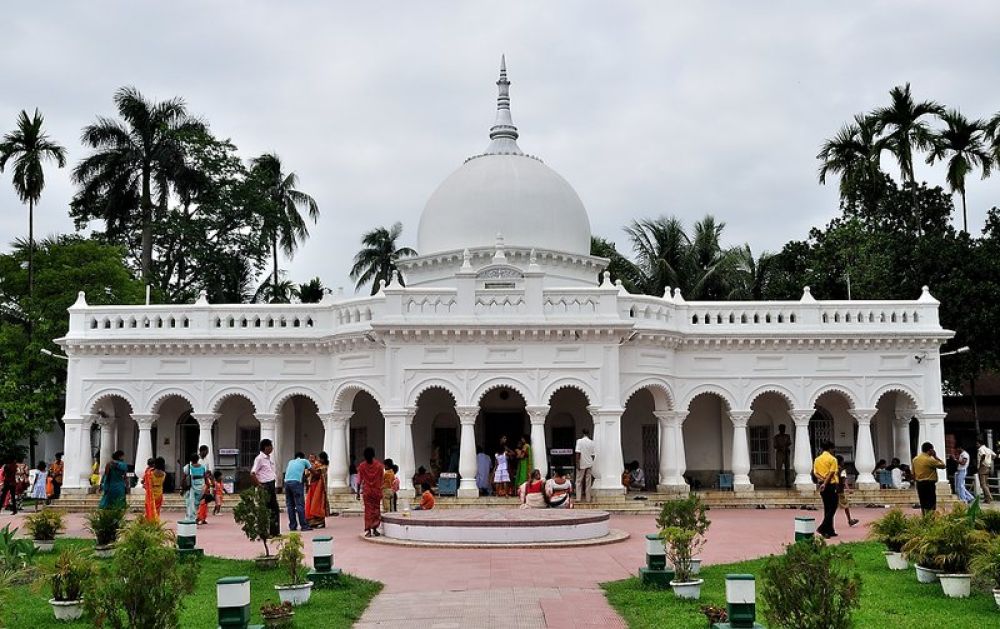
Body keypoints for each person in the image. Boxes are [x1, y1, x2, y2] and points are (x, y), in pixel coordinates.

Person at [251, 438, 281, 536]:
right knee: (264, 509)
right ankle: (263, 531)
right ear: (266, 447)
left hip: (271, 484)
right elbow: (252, 473)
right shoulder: (259, 458)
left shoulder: (268, 458)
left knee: (274, 509)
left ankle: (274, 531)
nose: (272, 448)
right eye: (271, 446)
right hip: (265, 485)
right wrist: (259, 485)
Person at [812, 440, 839, 539]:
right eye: (833, 448)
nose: (834, 450)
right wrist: (825, 482)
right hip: (830, 485)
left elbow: (815, 473)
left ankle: (829, 530)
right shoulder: (833, 459)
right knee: (833, 507)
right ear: (830, 449)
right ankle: (823, 527)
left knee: (827, 507)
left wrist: (822, 480)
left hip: (822, 484)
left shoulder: (817, 459)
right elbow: (832, 473)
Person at [357, 447, 385, 537]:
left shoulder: (362, 466)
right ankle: (375, 528)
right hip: (376, 491)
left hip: (367, 491)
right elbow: (382, 479)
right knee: (376, 510)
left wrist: (358, 492)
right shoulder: (379, 466)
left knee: (368, 511)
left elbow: (359, 480)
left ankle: (368, 530)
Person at [912, 441, 946, 514]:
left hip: (919, 483)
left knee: (923, 502)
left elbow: (913, 473)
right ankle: (930, 519)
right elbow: (943, 466)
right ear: (930, 450)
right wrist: (935, 456)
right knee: (931, 502)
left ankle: (924, 518)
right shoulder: (930, 460)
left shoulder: (915, 459)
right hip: (929, 484)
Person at [283, 451, 313, 532]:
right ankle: (304, 525)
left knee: (290, 505)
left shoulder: (290, 462)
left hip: (286, 482)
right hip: (296, 483)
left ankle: (293, 526)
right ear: (302, 457)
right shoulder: (304, 461)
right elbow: (312, 470)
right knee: (300, 504)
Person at [306, 451, 330, 529]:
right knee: (312, 503)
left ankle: (321, 522)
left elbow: (317, 474)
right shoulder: (316, 465)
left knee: (318, 504)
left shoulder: (323, 467)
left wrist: (311, 468)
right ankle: (312, 522)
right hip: (313, 486)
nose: (320, 460)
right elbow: (308, 474)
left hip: (319, 487)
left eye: (321, 458)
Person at [835, 455, 859, 527]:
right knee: (846, 506)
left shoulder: (833, 469)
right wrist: (848, 489)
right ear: (841, 462)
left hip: (833, 490)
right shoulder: (842, 470)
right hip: (840, 491)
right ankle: (849, 520)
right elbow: (844, 481)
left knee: (831, 507)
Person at [181, 453, 206, 521]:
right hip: (201, 487)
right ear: (198, 459)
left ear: (191, 460)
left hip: (191, 487)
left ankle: (191, 518)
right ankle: (194, 516)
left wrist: (182, 487)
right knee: (196, 503)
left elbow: (184, 478)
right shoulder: (203, 467)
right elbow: (205, 477)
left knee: (190, 502)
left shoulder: (188, 467)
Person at [575, 429, 595, 502]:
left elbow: (577, 453)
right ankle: (588, 499)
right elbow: (593, 455)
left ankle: (578, 498)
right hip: (589, 463)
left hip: (582, 463)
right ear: (588, 433)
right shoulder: (592, 442)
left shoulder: (579, 441)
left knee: (578, 481)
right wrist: (590, 462)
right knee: (588, 482)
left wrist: (577, 463)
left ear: (583, 433)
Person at [144, 457, 166, 521]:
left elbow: (146, 482)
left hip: (151, 493)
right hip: (159, 493)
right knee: (157, 510)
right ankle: (156, 522)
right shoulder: (164, 474)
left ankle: (150, 522)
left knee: (150, 509)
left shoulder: (150, 473)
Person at [977, 437, 994, 503]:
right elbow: (994, 455)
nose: (976, 445)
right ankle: (987, 499)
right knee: (986, 484)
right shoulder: (988, 449)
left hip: (982, 467)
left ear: (980, 444)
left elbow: (983, 455)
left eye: (977, 444)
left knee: (982, 484)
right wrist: (989, 461)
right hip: (988, 467)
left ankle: (989, 496)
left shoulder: (981, 449)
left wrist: (982, 462)